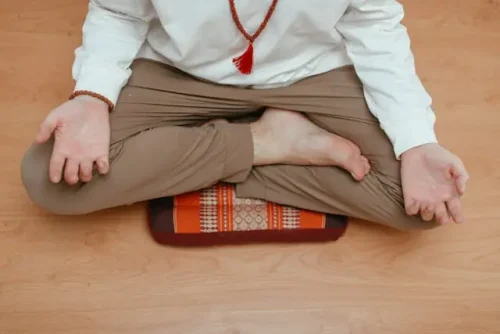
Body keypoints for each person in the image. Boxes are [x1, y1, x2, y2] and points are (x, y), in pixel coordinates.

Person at [21, 0, 469, 231]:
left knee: (420, 201)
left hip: (309, 72)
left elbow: (375, 24)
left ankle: (184, 154)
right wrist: (92, 97)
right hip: (176, 69)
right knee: (50, 177)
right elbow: (118, 11)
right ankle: (270, 142)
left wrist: (416, 141)